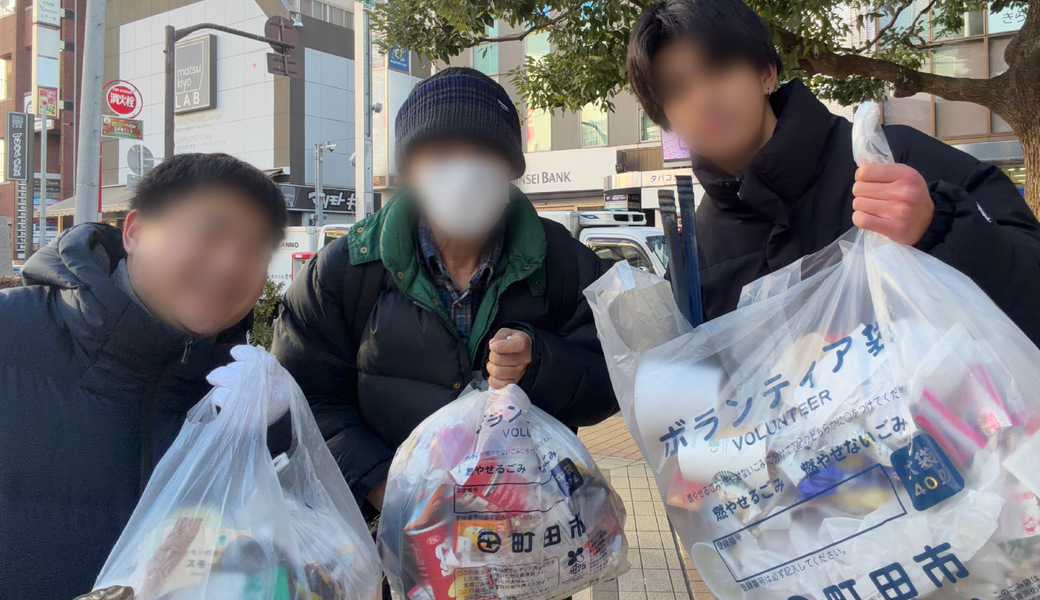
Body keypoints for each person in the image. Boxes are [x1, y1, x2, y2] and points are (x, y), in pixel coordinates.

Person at [271, 67, 618, 515]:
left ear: (512, 167)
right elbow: (301, 399)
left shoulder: (565, 262)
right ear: (408, 170)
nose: (463, 173)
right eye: (439, 153)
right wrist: (382, 486)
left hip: (531, 534)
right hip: (400, 536)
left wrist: (540, 364)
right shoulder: (346, 270)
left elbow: (614, 378)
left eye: (483, 152)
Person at [626, 0, 1040, 344]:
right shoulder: (697, 255)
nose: (703, 98)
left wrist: (940, 226)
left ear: (766, 74)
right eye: (677, 90)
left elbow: (1030, 287)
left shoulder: (894, 159)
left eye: (717, 69)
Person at [0, 153, 288, 599]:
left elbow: (285, 556)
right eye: (209, 233)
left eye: (255, 249)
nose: (231, 264)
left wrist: (275, 435)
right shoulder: (10, 337)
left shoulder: (247, 393)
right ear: (134, 232)